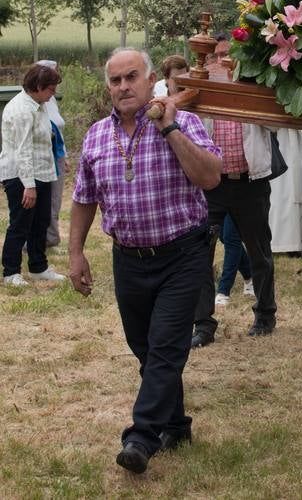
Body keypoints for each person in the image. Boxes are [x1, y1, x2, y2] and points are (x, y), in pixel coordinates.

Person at [69, 48, 222, 474]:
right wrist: (76, 252)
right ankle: (176, 423)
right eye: (115, 81)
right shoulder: (98, 135)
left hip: (183, 254)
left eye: (131, 77)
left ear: (150, 78)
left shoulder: (183, 122)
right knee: (145, 349)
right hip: (129, 259)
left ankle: (141, 437)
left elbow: (210, 177)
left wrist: (170, 127)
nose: (123, 87)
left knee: (166, 348)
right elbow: (84, 199)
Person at [190, 119, 277, 347]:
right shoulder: (208, 88)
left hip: (251, 182)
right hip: (212, 184)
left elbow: (275, 124)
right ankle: (203, 324)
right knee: (200, 251)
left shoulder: (253, 86)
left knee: (259, 251)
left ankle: (265, 315)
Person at [0, 63, 66, 286]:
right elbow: (23, 150)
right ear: (38, 86)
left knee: (41, 222)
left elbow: (45, 138)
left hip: (42, 173)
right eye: (51, 89)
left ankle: (38, 267)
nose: (53, 94)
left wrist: (59, 161)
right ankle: (10, 272)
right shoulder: (21, 110)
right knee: (21, 223)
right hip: (20, 176)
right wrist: (29, 185)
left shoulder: (40, 103)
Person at [269, 128, 302, 256]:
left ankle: (293, 241)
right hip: (272, 136)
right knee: (276, 192)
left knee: (291, 190)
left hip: (292, 140)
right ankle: (272, 241)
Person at [38, 59, 69, 248]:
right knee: (44, 201)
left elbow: (58, 131)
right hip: (43, 157)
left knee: (55, 200)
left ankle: (51, 238)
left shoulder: (52, 101)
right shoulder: (37, 102)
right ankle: (40, 240)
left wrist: (63, 156)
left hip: (57, 155)